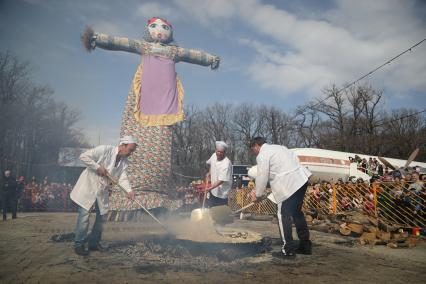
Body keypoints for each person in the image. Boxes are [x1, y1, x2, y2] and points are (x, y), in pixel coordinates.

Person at [70, 136, 137, 256]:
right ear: (123, 145)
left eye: (133, 151)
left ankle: (94, 243)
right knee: (85, 215)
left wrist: (129, 190)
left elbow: (122, 177)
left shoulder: (124, 162)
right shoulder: (105, 149)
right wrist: (98, 167)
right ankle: (78, 244)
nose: (131, 153)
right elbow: (83, 156)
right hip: (89, 186)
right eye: (130, 150)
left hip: (102, 190)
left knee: (102, 217)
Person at [249, 137, 312, 258]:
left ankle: (288, 249)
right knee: (297, 213)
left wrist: (257, 195)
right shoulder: (280, 148)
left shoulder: (262, 154)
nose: (254, 152)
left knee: (283, 215)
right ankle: (305, 246)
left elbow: (262, 176)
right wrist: (261, 193)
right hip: (301, 179)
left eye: (253, 150)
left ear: (256, 145)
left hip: (288, 184)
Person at [204, 141, 232, 207]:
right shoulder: (214, 155)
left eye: (221, 152)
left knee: (220, 212)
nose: (219, 153)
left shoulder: (226, 163)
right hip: (213, 191)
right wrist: (209, 172)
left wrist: (209, 188)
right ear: (215, 150)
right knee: (211, 209)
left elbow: (221, 181)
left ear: (224, 153)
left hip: (222, 194)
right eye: (218, 151)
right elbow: (211, 163)